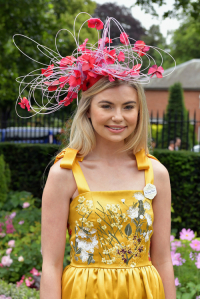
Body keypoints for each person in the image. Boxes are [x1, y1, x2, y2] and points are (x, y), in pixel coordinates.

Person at [14, 13, 176, 299]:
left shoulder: (156, 173)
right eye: (106, 106)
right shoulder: (64, 173)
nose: (118, 117)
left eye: (128, 106)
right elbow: (50, 265)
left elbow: (163, 259)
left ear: (139, 111)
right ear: (88, 110)